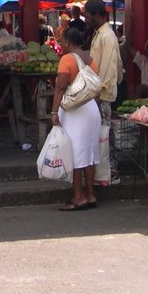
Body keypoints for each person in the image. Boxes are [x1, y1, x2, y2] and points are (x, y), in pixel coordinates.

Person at [50, 27, 100, 210]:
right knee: (89, 154)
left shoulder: (67, 59)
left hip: (74, 111)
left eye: (62, 41)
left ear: (68, 42)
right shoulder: (90, 59)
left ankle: (78, 197)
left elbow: (60, 87)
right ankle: (90, 194)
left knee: (76, 154)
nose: (61, 44)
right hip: (91, 109)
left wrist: (54, 111)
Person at [85, 0, 121, 184]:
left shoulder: (107, 36)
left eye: (88, 15)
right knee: (101, 135)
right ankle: (104, 174)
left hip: (102, 94)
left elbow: (109, 67)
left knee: (105, 135)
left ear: (97, 15)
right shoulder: (100, 34)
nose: (86, 18)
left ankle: (111, 174)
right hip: (98, 92)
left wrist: (100, 91)